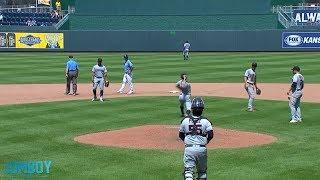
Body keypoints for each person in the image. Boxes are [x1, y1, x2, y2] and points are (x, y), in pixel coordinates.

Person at [179, 97, 214, 180]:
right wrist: (205, 141)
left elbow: (180, 134)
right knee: (202, 172)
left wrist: (187, 142)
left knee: (188, 172)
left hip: (189, 149)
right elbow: (211, 135)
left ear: (192, 109)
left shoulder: (185, 120)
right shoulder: (206, 121)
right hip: (202, 149)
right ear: (202, 109)